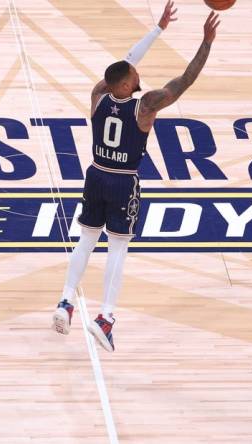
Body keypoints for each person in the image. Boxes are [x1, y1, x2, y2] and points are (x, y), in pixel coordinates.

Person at [52, 3, 221, 352]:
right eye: (133, 74)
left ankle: (66, 303)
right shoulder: (145, 106)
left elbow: (123, 63)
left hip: (96, 175)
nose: (137, 72)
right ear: (128, 84)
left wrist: (158, 30)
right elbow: (185, 80)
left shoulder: (98, 96)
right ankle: (105, 317)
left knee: (85, 241)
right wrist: (206, 42)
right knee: (118, 248)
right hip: (122, 181)